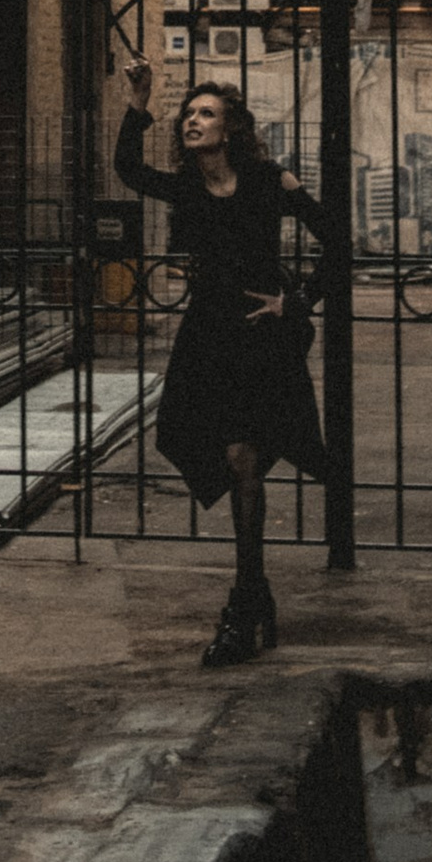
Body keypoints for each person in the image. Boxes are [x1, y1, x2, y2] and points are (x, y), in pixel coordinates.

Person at [116, 58, 330, 666]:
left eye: (205, 113)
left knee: (244, 457)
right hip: (208, 334)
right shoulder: (186, 186)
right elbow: (128, 169)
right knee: (199, 441)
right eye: (188, 113)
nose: (192, 121)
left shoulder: (268, 180)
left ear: (230, 127)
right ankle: (254, 594)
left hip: (261, 334)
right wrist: (139, 101)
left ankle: (245, 598)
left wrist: (298, 300)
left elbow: (334, 236)